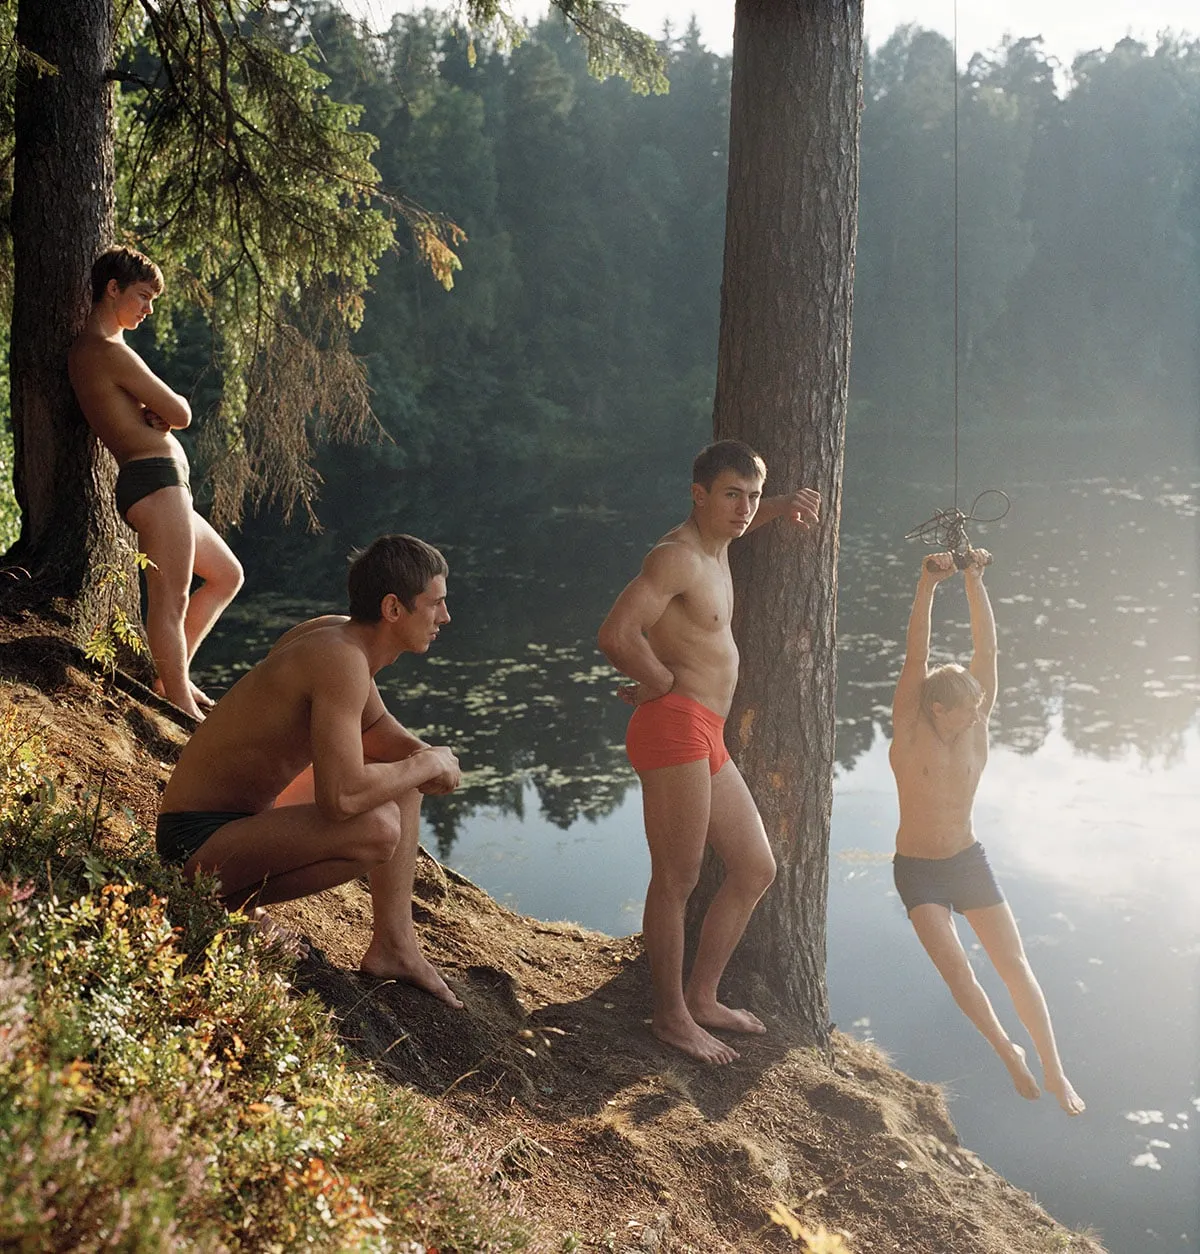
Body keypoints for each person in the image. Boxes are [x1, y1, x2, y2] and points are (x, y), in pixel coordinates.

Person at [156, 533, 464, 1006]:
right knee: (378, 827)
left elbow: (376, 727)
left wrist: (429, 759)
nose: (445, 617)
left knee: (405, 773)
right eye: (435, 604)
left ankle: (395, 947)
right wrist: (426, 762)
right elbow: (340, 799)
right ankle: (219, 905)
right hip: (195, 841)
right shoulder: (339, 658)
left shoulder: (339, 638)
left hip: (242, 822)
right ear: (393, 609)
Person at [598, 440, 821, 1064]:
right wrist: (661, 680)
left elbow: (745, 516)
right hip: (672, 726)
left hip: (706, 734)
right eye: (733, 495)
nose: (744, 508)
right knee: (677, 879)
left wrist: (779, 504)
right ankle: (669, 1016)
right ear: (699, 495)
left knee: (755, 867)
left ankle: (701, 997)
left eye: (751, 496)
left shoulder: (720, 542)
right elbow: (616, 633)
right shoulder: (676, 558)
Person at [889, 549, 1085, 1115]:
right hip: (919, 871)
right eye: (967, 709)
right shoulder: (910, 728)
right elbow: (914, 657)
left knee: (1015, 964)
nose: (980, 716)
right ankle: (1008, 1051)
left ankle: (1054, 1068)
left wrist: (974, 579)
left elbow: (987, 650)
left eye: (980, 707)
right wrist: (927, 584)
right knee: (958, 971)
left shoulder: (975, 726)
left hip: (968, 861)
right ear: (937, 707)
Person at [69, 245, 243, 721]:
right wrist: (163, 413)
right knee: (172, 599)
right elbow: (182, 412)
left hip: (165, 484)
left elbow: (161, 413)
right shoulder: (104, 350)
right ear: (112, 289)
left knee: (227, 575)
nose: (148, 310)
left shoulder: (103, 352)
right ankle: (180, 705)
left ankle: (173, 679)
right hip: (152, 481)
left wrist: (154, 413)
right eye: (143, 297)